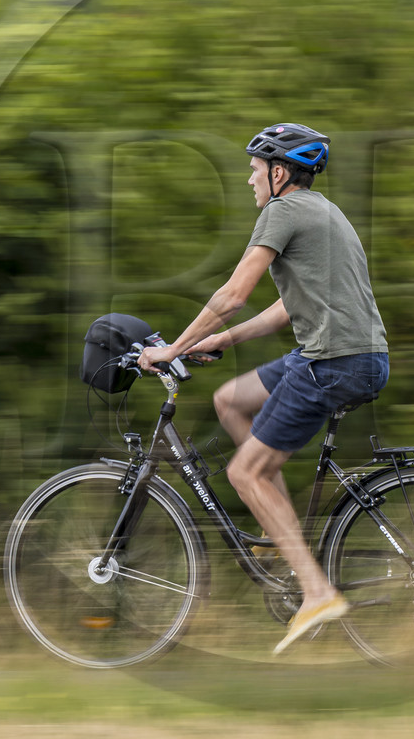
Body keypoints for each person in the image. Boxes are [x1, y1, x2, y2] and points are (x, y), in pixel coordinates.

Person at [137, 123, 389, 654]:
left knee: (242, 470)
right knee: (230, 400)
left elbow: (232, 294)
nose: (249, 179)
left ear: (279, 173)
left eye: (255, 170)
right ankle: (284, 534)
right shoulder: (325, 212)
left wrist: (173, 349)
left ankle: (316, 591)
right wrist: (222, 342)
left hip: (332, 362)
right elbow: (283, 309)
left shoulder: (283, 212)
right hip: (347, 356)